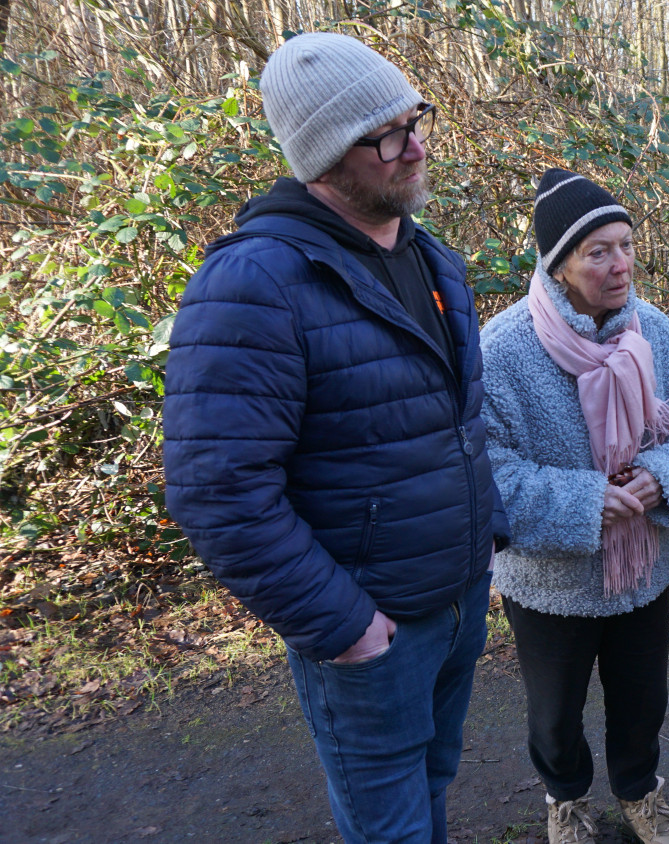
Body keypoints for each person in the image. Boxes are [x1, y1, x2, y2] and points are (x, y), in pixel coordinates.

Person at [163, 32, 509, 844]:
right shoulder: (255, 284)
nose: (414, 145)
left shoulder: (433, 260)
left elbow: (459, 425)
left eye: (414, 119)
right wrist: (346, 626)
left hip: (455, 602)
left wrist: (484, 545)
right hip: (370, 630)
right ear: (322, 155)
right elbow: (218, 491)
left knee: (433, 788)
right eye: (386, 135)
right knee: (387, 826)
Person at [480, 169, 669, 844]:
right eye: (598, 251)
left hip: (643, 571)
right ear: (558, 265)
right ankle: (566, 799)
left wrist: (661, 473)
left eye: (624, 245)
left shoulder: (655, 332)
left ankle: (640, 792)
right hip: (549, 581)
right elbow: (485, 467)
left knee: (642, 700)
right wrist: (589, 501)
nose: (620, 264)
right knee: (554, 714)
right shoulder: (501, 352)